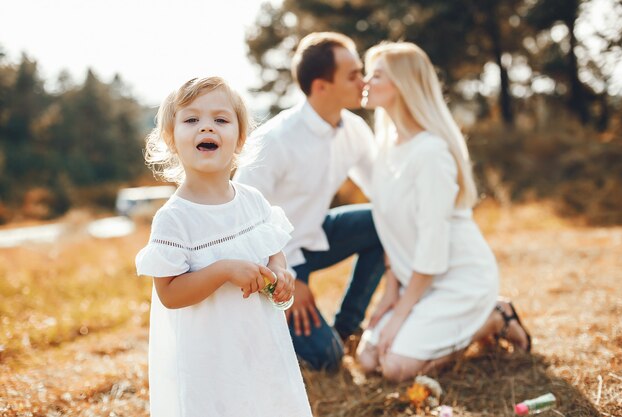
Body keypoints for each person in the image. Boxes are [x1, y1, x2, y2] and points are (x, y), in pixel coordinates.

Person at [135, 76, 313, 416]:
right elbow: (170, 295)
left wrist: (279, 271)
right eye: (191, 120)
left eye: (220, 119)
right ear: (171, 139)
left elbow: (272, 247)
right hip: (210, 358)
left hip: (259, 343)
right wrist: (223, 270)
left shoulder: (253, 201)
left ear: (240, 138)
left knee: (267, 401)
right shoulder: (175, 219)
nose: (206, 128)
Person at [356, 42, 532, 382]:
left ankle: (494, 316)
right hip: (417, 283)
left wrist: (400, 314)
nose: (365, 81)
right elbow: (392, 231)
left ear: (403, 85)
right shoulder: (384, 147)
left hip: (457, 280)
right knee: (367, 358)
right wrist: (389, 296)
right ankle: (468, 322)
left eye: (376, 75)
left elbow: (431, 245)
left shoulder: (431, 153)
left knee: (394, 367)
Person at [234, 32, 385, 371]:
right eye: (352, 74)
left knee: (384, 220)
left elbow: (385, 192)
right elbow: (239, 219)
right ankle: (276, 335)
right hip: (275, 255)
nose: (363, 80)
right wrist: (285, 278)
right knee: (326, 360)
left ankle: (347, 327)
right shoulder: (274, 140)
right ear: (321, 86)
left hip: (316, 233)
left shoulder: (355, 130)